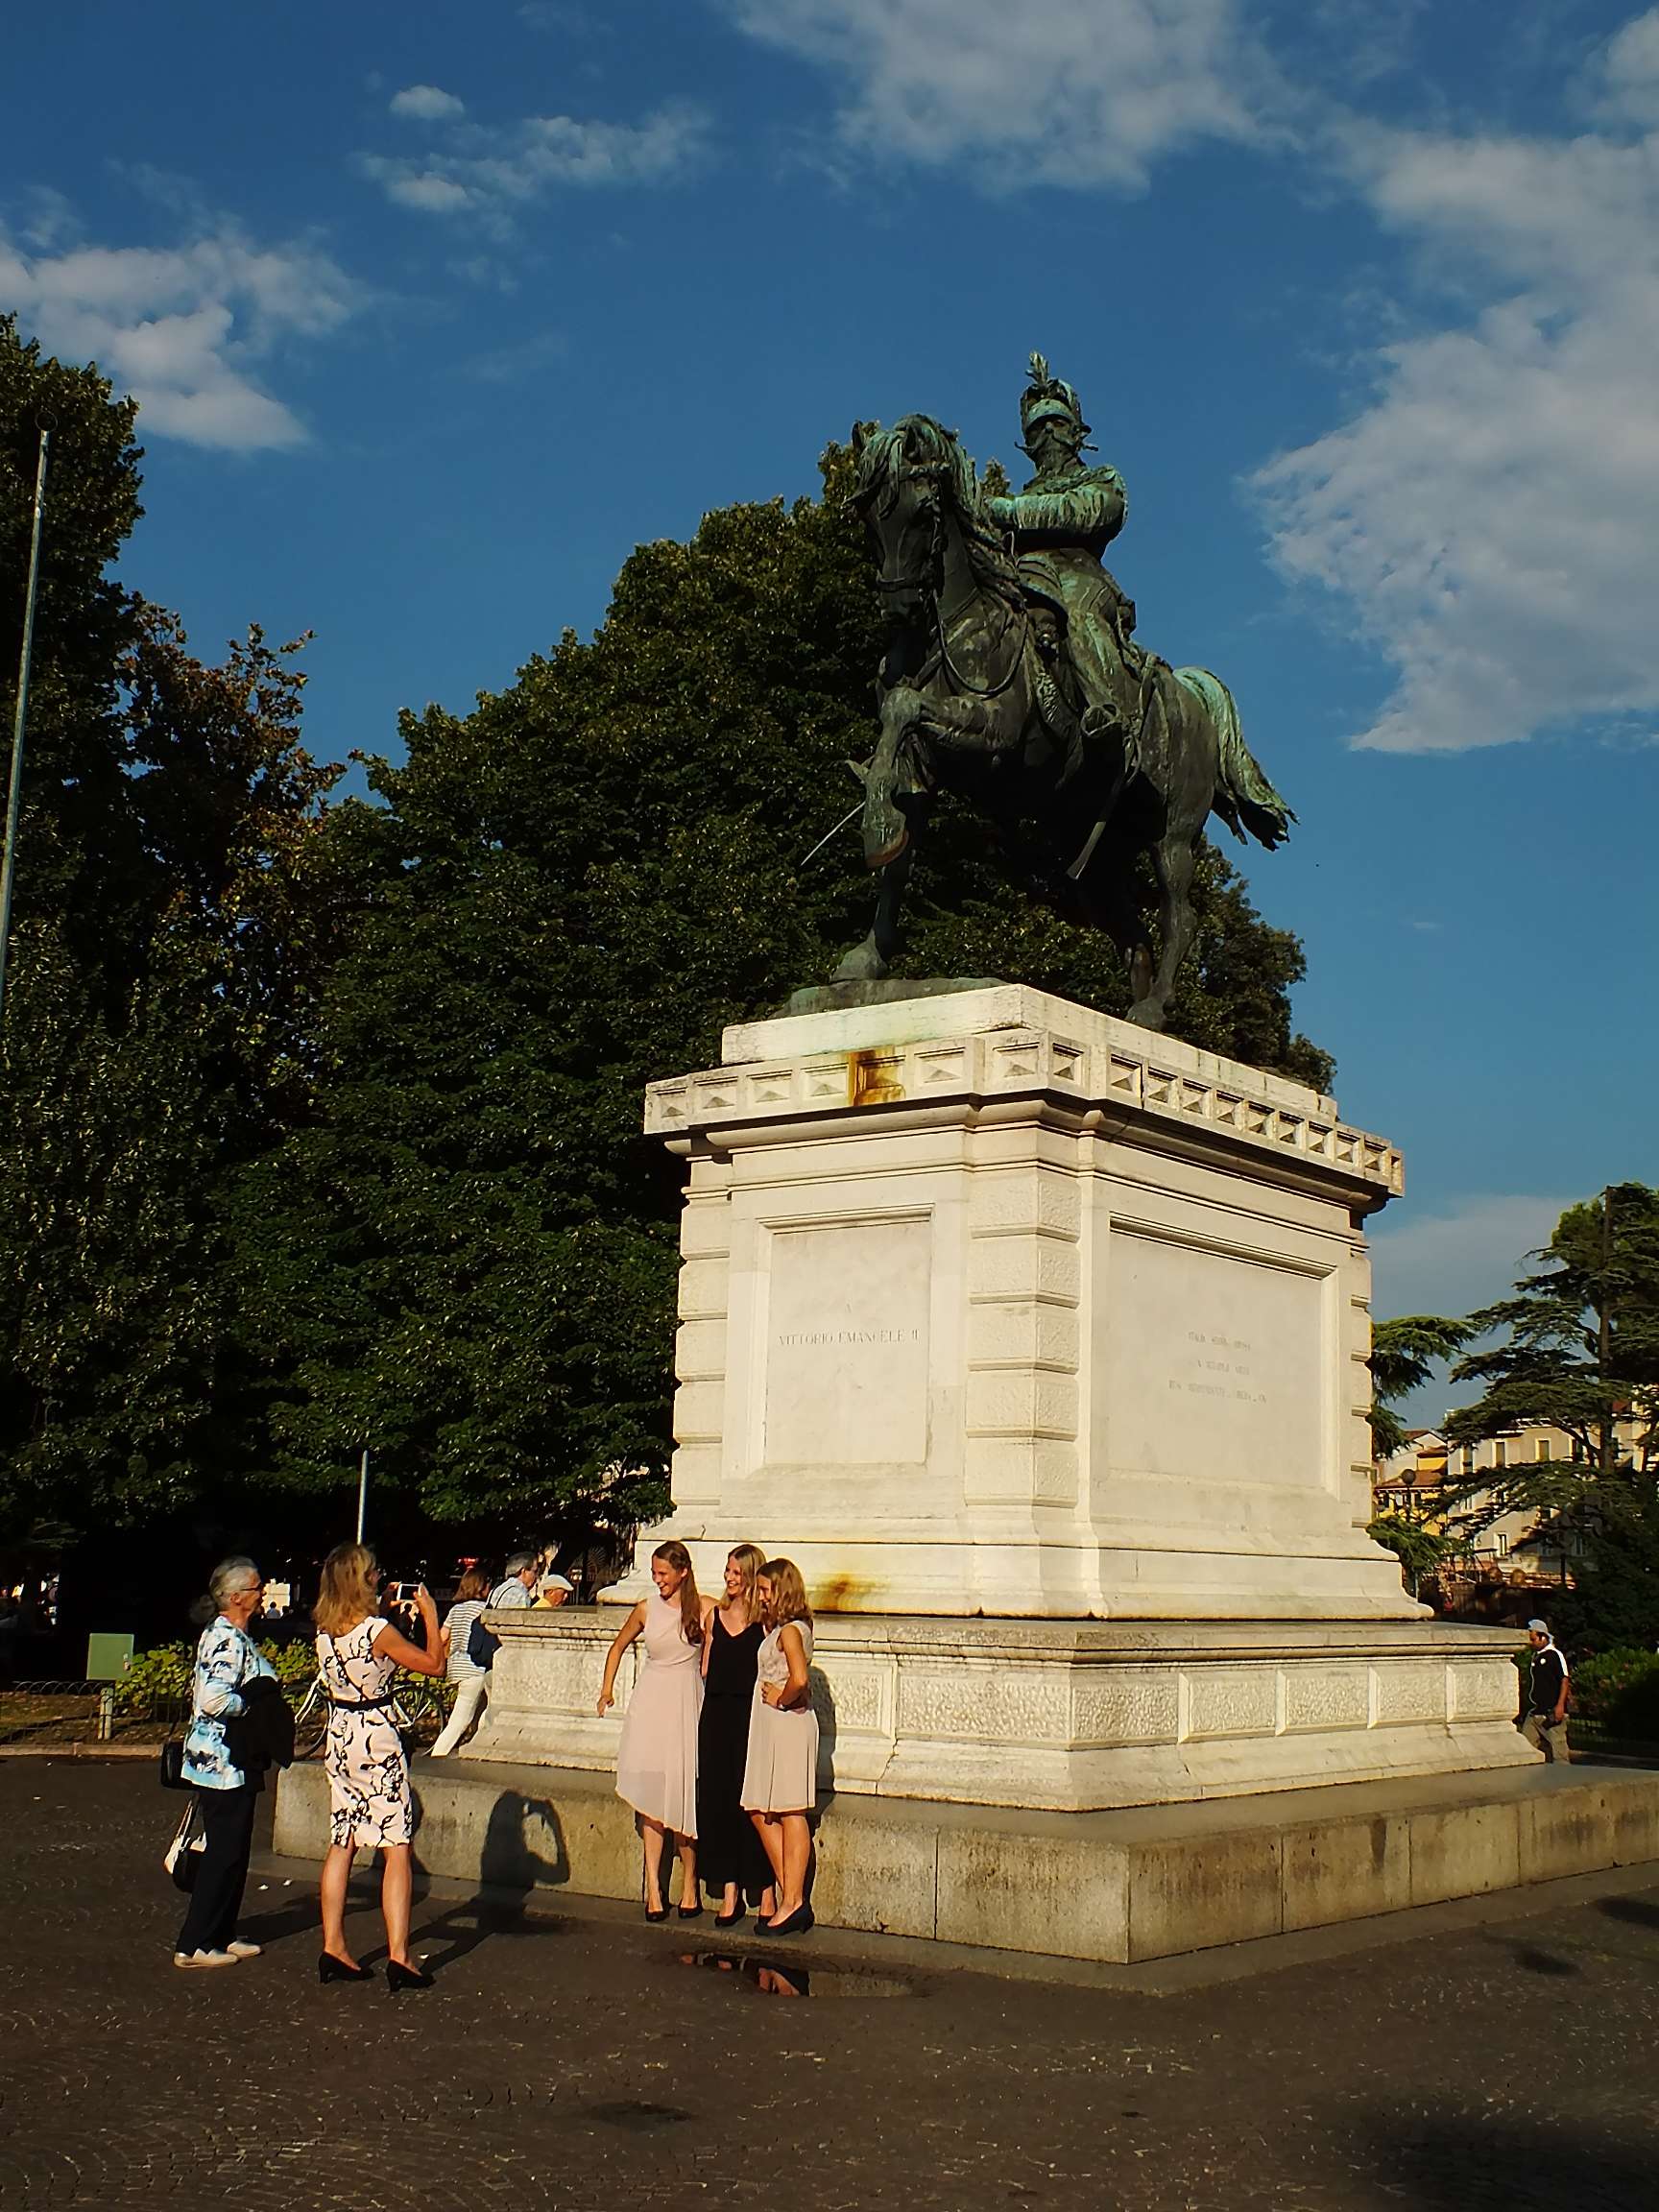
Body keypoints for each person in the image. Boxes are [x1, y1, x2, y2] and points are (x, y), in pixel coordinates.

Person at [982, 351, 1144, 779]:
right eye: (1038, 428)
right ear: (1027, 443)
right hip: (1025, 581)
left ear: (1078, 433)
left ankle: (1109, 717)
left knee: (1081, 616)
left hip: (1080, 577)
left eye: (1057, 424)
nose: (1048, 434)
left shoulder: (1102, 479)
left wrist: (1010, 510)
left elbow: (1086, 512)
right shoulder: (1018, 498)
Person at [313, 1543, 446, 1989]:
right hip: (376, 1737)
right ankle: (400, 1955)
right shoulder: (375, 1631)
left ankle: (333, 1944)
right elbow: (434, 1666)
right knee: (396, 1846)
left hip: (340, 1733)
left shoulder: (324, 1631)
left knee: (343, 1839)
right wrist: (429, 1614)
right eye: (373, 1574)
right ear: (361, 1581)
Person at [596, 1540, 711, 1920]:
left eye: (663, 1573)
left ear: (683, 1572)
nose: (657, 1580)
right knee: (652, 1795)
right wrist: (607, 1689)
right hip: (652, 1699)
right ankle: (654, 1888)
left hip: (687, 1700)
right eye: (654, 1573)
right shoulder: (647, 1608)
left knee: (684, 1792)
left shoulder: (705, 1607)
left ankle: (690, 1883)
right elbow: (617, 1647)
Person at [173, 1557, 275, 1970]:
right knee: (223, 1852)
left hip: (232, 1759)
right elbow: (212, 1698)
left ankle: (222, 1932)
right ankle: (195, 1942)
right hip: (223, 1761)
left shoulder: (232, 1635)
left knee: (235, 1849)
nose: (262, 1591)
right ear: (235, 1598)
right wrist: (250, 1705)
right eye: (256, 1587)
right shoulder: (227, 1640)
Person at [696, 1543, 777, 1929]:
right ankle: (728, 1888)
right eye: (727, 1570)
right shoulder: (714, 1617)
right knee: (720, 1801)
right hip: (716, 1716)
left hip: (750, 1718)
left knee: (754, 1804)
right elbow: (706, 1668)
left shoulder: (765, 1626)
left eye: (735, 1572)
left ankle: (764, 1889)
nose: (729, 1578)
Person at [742, 1557, 820, 1937]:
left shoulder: (790, 1629)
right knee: (760, 1807)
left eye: (767, 1590)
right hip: (774, 1726)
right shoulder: (784, 1627)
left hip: (786, 1723)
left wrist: (780, 1698)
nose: (762, 1597)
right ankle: (792, 1892)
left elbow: (799, 1678)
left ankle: (792, 1899)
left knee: (790, 1811)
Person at [429, 1567, 493, 1758]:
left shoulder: (455, 1610)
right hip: (476, 1667)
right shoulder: (486, 1610)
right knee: (461, 1719)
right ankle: (438, 1755)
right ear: (481, 1587)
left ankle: (477, 1748)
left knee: (484, 1709)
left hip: (456, 1667)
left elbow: (441, 1638)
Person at [1520, 1618, 1571, 1763]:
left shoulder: (1555, 1655)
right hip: (1536, 1711)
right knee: (1526, 1747)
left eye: (1533, 1639)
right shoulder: (1535, 1656)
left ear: (1543, 1637)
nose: (1531, 1642)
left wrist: (1560, 1705)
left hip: (1551, 1711)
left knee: (1559, 1752)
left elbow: (1564, 1680)